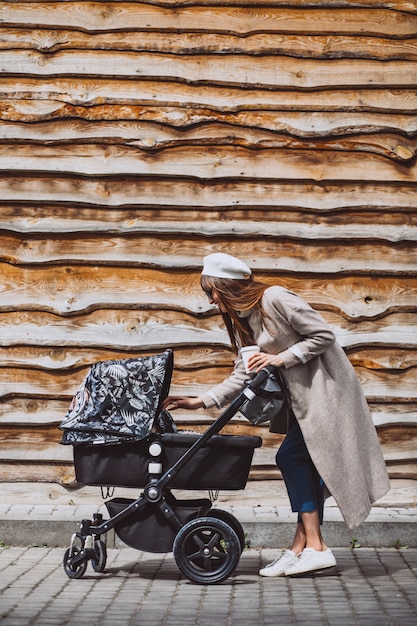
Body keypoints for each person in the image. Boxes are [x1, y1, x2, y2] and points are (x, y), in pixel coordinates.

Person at [163, 252, 390, 577]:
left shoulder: (276, 298)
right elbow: (243, 373)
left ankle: (316, 547)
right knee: (308, 466)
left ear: (227, 286)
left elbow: (324, 336)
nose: (210, 300)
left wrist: (280, 359)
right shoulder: (244, 320)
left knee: (290, 458)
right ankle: (300, 548)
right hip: (303, 404)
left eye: (212, 291)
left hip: (326, 394)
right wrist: (199, 402)